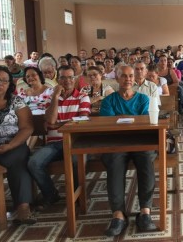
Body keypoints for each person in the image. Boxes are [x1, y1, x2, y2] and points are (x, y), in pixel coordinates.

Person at [100, 65, 157, 236]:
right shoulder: (109, 101)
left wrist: (121, 119)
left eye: (131, 76)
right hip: (116, 144)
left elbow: (144, 124)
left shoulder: (143, 99)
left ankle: (145, 212)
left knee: (147, 158)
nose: (128, 79)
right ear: (117, 79)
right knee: (114, 161)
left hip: (141, 142)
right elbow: (108, 126)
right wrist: (131, 120)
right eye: (124, 76)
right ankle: (118, 214)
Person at [28, 65, 91, 209]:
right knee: (34, 163)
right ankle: (51, 195)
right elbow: (50, 121)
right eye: (63, 77)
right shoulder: (51, 97)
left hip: (76, 142)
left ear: (75, 79)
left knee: (77, 161)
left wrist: (59, 125)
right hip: (54, 144)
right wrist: (56, 97)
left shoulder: (82, 96)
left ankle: (78, 196)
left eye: (70, 77)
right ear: (58, 79)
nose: (67, 81)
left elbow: (82, 121)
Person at [0, 66, 36, 225]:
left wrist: (10, 145)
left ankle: (23, 207)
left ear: (9, 84)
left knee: (18, 161)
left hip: (12, 145)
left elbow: (27, 127)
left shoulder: (16, 101)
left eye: (4, 81)